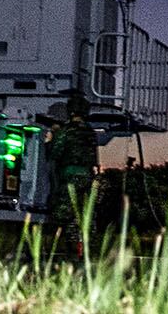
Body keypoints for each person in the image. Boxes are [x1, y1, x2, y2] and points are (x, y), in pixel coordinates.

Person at [45, 93, 99, 249]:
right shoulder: (90, 132)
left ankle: (69, 247)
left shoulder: (66, 131)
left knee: (65, 213)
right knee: (86, 214)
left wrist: (50, 140)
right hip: (88, 176)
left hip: (70, 176)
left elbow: (55, 153)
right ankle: (88, 248)